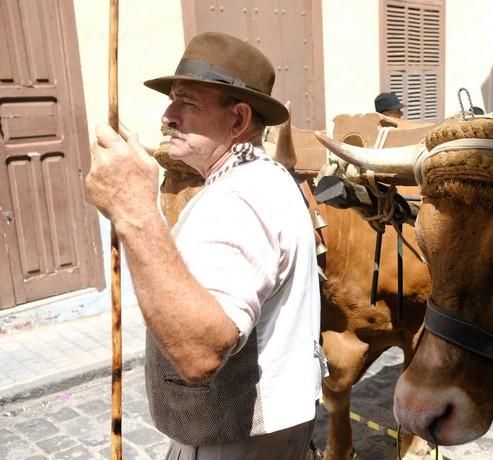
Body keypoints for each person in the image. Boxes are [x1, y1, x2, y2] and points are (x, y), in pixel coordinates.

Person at [85, 32, 323, 459]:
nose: (168, 116)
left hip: (236, 443)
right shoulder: (258, 179)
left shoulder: (240, 198)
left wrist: (136, 213)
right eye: (172, 100)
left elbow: (200, 352)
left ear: (237, 120)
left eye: (188, 103)